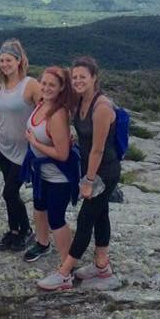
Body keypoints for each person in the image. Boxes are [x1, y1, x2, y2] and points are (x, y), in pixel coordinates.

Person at [36, 55, 121, 292]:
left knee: (85, 219)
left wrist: (89, 181)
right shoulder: (82, 101)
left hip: (103, 172)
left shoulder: (101, 107)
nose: (78, 80)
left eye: (83, 76)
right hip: (94, 170)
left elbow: (98, 148)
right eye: (74, 77)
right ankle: (102, 266)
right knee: (100, 214)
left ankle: (64, 273)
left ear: (94, 77)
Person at [22, 67, 81, 268]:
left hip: (59, 176)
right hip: (41, 172)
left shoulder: (57, 114)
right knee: (39, 207)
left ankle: (67, 263)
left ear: (61, 88)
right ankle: (42, 243)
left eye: (52, 85)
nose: (46, 88)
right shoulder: (42, 104)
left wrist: (34, 142)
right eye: (44, 83)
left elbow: (62, 154)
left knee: (56, 218)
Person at [0, 38, 41, 252]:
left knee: (10, 192)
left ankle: (26, 231)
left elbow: (46, 110)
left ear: (19, 61)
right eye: (2, 60)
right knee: (10, 192)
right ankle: (13, 231)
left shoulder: (30, 84)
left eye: (9, 60)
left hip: (24, 150)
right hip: (3, 146)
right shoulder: (1, 84)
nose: (5, 64)